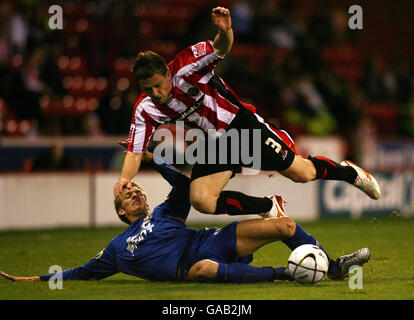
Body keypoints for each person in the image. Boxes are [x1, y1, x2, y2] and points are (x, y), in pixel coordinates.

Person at [113, 7, 381, 220]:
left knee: (302, 173)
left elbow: (221, 48)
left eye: (158, 86)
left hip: (242, 127)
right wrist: (124, 180)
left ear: (167, 73)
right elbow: (135, 152)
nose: (156, 94)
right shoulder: (145, 107)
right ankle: (269, 206)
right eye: (148, 89)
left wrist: (227, 30)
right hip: (212, 144)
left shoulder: (187, 67)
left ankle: (350, 173)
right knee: (202, 200)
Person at [0, 153, 371, 283]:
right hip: (192, 266)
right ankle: (288, 274)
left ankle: (334, 267)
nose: (135, 192)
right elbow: (81, 272)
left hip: (209, 241)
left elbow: (184, 182)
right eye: (128, 195)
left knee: (286, 226)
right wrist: (36, 277)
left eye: (136, 190)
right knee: (205, 271)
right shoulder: (115, 249)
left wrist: (153, 160)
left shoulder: (166, 211)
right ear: (120, 213)